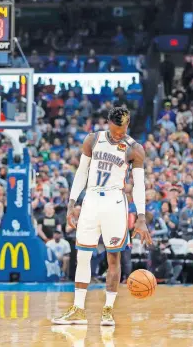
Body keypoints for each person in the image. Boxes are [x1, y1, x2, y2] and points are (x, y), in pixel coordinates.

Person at [52, 107, 152, 326]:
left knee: (113, 257)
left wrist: (141, 217)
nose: (118, 135)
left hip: (115, 203)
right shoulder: (93, 139)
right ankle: (78, 309)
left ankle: (108, 310)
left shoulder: (135, 148)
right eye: (115, 130)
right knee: (83, 255)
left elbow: (139, 185)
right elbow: (81, 172)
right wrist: (71, 202)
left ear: (128, 125)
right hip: (91, 200)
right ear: (108, 123)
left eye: (122, 130)